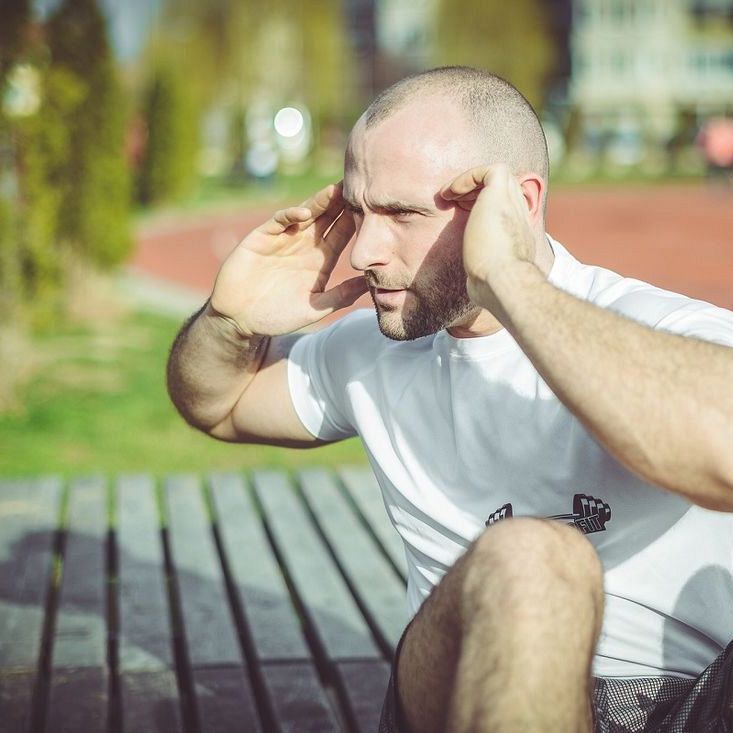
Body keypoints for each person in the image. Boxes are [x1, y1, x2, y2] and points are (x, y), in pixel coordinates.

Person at [167, 67, 733, 733]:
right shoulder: (370, 354)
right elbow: (218, 403)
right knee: (532, 557)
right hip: (463, 686)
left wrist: (505, 277)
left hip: (689, 703)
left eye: (402, 214)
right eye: (357, 211)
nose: (365, 251)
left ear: (517, 204)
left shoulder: (662, 331)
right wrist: (228, 320)